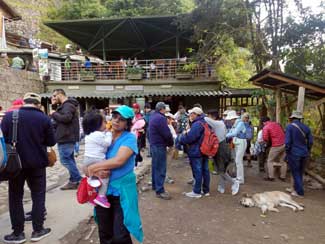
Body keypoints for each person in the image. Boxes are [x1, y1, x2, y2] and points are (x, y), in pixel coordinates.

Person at [1, 92, 56, 243]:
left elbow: (3, 139)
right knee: (38, 195)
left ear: (24, 102)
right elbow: (51, 141)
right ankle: (38, 230)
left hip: (15, 165)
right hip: (37, 164)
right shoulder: (44, 119)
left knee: (15, 197)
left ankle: (17, 233)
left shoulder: (9, 117)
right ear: (38, 104)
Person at [86, 105, 143, 244]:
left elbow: (119, 161)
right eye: (115, 117)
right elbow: (88, 158)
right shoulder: (103, 135)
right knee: (105, 233)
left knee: (120, 235)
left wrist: (94, 167)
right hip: (103, 192)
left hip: (122, 191)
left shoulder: (129, 138)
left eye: (122, 119)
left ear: (127, 123)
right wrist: (91, 169)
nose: (117, 121)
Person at [51, 89, 82, 190]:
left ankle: (77, 179)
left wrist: (53, 113)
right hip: (66, 137)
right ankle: (74, 180)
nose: (54, 98)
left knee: (65, 160)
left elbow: (66, 118)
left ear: (60, 94)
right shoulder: (66, 106)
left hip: (66, 137)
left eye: (55, 96)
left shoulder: (68, 105)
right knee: (69, 159)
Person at [204, 110, 240, 195]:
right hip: (220, 147)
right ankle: (222, 186)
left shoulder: (218, 123)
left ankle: (234, 182)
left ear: (213, 116)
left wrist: (200, 113)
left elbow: (205, 119)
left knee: (221, 169)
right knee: (220, 168)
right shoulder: (220, 124)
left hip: (221, 148)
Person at [82, 110, 112, 208]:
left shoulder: (88, 136)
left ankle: (92, 196)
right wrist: (109, 134)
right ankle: (101, 196)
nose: (106, 124)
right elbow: (107, 143)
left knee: (94, 178)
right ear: (97, 124)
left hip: (87, 159)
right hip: (97, 159)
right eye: (104, 122)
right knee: (105, 177)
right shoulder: (99, 134)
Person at [178, 107, 210, 198]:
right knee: (205, 170)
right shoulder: (205, 122)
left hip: (196, 150)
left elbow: (191, 138)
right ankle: (206, 190)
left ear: (196, 114)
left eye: (192, 113)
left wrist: (181, 138)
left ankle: (197, 191)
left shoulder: (197, 124)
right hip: (205, 149)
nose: (190, 115)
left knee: (198, 171)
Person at [148, 102, 174, 200]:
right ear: (162, 109)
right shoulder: (161, 118)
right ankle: (160, 190)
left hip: (154, 144)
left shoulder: (152, 116)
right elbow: (166, 134)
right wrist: (171, 143)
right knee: (161, 168)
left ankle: (155, 185)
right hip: (159, 145)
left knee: (155, 166)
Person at [285, 111, 313, 197]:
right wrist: (307, 149)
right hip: (304, 153)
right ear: (300, 119)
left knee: (295, 172)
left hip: (294, 153)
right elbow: (311, 142)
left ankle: (300, 192)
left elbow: (288, 142)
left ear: (292, 118)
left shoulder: (289, 127)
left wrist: (287, 151)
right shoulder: (307, 128)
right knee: (300, 172)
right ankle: (296, 188)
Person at [226, 111, 248, 185]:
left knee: (238, 161)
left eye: (230, 119)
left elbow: (234, 133)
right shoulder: (235, 124)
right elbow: (231, 132)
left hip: (241, 142)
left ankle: (240, 179)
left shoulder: (240, 123)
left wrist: (225, 135)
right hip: (237, 142)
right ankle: (238, 177)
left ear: (233, 118)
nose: (230, 121)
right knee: (237, 160)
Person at [262, 116, 287, 181]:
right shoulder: (277, 124)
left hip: (276, 145)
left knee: (270, 160)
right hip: (284, 143)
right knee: (283, 161)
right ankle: (283, 176)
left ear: (263, 122)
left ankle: (271, 177)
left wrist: (267, 143)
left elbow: (265, 138)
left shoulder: (266, 127)